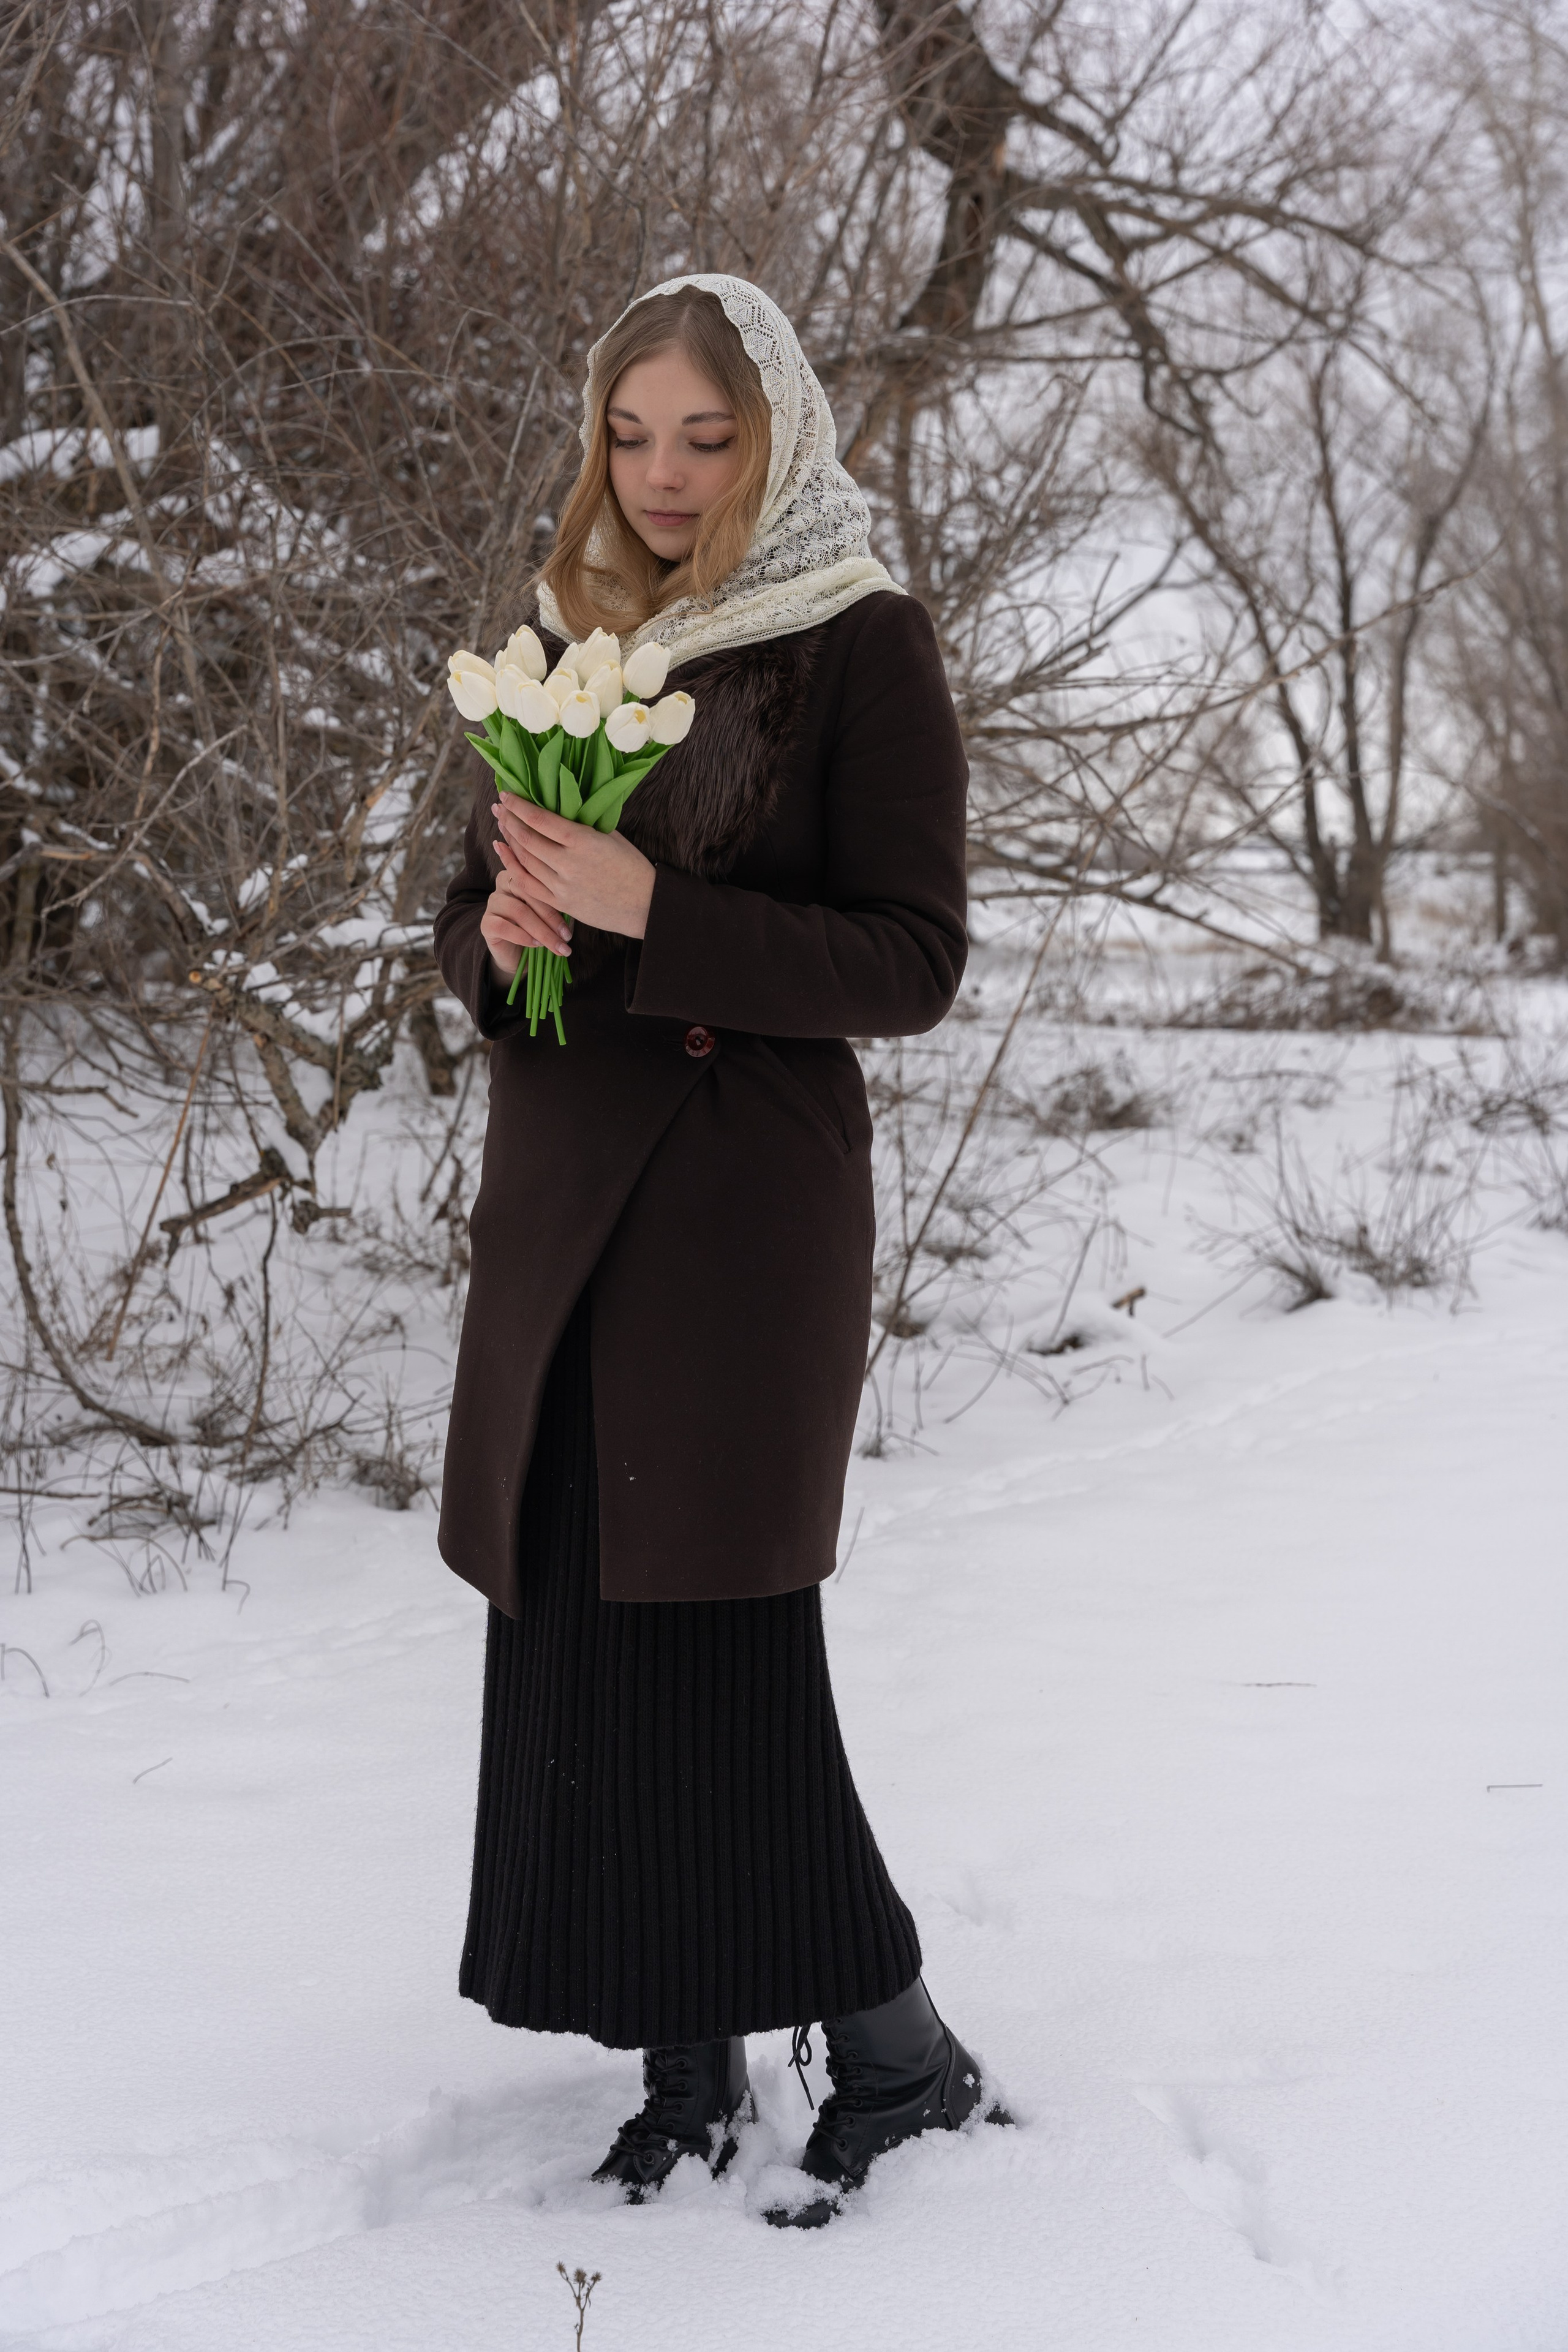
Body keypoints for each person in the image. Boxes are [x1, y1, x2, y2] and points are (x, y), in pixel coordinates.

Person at [432, 273, 1008, 2228]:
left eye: (705, 434)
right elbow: (476, 911)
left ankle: (902, 2052)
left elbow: (911, 962)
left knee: (725, 1650)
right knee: (583, 1638)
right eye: (630, 434)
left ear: (775, 431)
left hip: (739, 1217)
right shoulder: (567, 627)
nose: (664, 475)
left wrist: (651, 909)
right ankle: (684, 2061)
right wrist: (499, 944)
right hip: (563, 1205)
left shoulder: (860, 641)